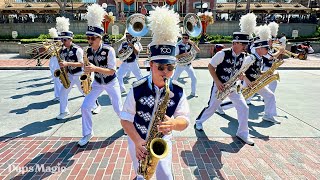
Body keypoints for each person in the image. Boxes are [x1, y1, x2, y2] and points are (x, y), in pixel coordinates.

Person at [120, 6, 190, 179]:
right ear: (151, 65)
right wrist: (137, 141)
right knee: (142, 175)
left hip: (162, 140)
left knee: (166, 176)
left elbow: (185, 120)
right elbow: (125, 119)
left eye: (170, 67)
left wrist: (174, 124)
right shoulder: (137, 88)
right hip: (138, 139)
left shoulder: (178, 91)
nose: (165, 71)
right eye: (160, 67)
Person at [194, 32, 254, 145]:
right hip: (220, 86)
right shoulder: (222, 54)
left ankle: (243, 133)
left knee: (244, 108)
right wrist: (217, 82)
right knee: (212, 107)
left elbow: (240, 72)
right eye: (243, 44)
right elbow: (210, 66)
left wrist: (243, 77)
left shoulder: (243, 56)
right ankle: (199, 121)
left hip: (234, 86)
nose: (245, 47)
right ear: (235, 43)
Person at [78, 4, 123, 146]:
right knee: (85, 107)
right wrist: (85, 69)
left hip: (111, 82)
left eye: (93, 38)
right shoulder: (88, 51)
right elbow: (87, 66)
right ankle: (87, 133)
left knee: (118, 108)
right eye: (88, 38)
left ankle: (126, 126)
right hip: (97, 82)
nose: (90, 41)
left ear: (100, 38)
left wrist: (94, 68)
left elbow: (112, 71)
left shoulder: (109, 51)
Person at [55, 17, 85, 120]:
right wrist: (64, 74)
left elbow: (82, 64)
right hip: (70, 75)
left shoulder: (78, 50)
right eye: (62, 39)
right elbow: (64, 65)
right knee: (63, 92)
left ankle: (95, 105)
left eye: (65, 40)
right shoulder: (62, 51)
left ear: (71, 39)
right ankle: (64, 111)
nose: (63, 41)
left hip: (79, 74)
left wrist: (67, 63)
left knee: (85, 92)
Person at [172, 33, 200, 97]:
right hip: (180, 65)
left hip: (188, 65)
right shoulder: (178, 45)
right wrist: (183, 55)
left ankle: (193, 93)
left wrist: (193, 44)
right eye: (183, 38)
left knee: (194, 78)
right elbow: (176, 56)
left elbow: (198, 51)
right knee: (174, 79)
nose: (184, 39)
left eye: (186, 38)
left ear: (188, 38)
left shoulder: (190, 44)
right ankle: (171, 91)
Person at [48, 27, 62, 101]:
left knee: (59, 81)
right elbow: (50, 52)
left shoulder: (62, 46)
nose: (56, 42)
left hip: (59, 63)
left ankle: (61, 95)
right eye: (55, 40)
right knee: (56, 81)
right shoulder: (53, 46)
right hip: (54, 61)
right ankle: (57, 95)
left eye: (57, 40)